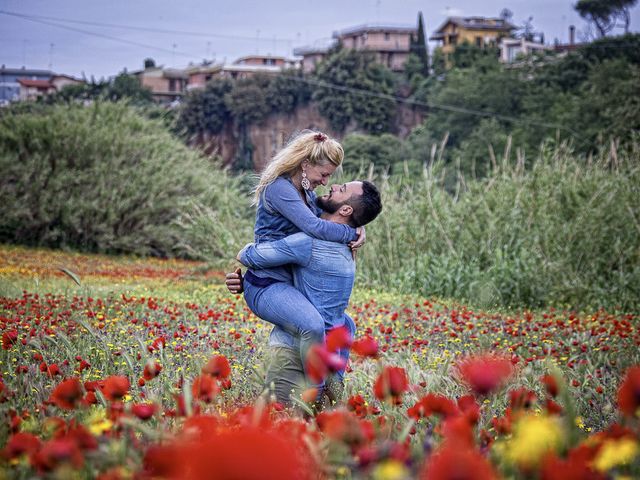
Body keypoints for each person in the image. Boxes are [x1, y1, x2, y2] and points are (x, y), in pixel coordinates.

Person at [228, 180, 383, 407]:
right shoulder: (348, 244)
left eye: (342, 189)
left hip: (293, 352)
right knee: (314, 425)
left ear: (347, 209)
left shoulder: (309, 242)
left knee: (280, 421)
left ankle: (317, 390)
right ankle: (329, 388)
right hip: (328, 351)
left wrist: (245, 251)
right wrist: (356, 227)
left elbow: (249, 257)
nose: (333, 185)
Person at [237, 130, 365, 395]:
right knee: (313, 325)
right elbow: (315, 226)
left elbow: (336, 215)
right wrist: (351, 233)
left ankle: (334, 387)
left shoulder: (305, 193)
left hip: (291, 283)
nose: (326, 181)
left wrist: (362, 227)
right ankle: (314, 391)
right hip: (267, 282)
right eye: (324, 174)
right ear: (305, 165)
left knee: (345, 324)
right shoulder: (280, 189)